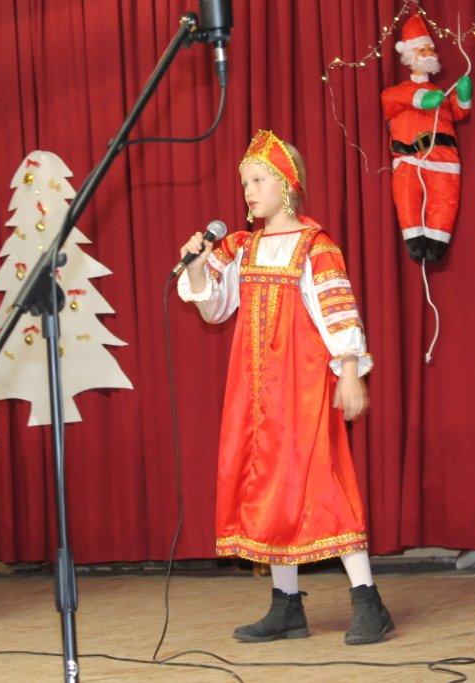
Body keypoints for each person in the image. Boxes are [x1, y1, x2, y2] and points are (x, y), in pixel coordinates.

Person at [177, 130, 393, 645]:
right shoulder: (238, 247)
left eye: (257, 180)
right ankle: (287, 605)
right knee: (265, 486)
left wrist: (348, 370)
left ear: (286, 185)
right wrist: (195, 267)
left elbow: (337, 311)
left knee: (325, 483)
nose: (248, 191)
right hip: (253, 393)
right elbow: (214, 309)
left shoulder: (315, 247)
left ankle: (368, 599)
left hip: (303, 387)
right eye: (244, 182)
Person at [381, 13, 473, 262]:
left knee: (445, 199)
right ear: (410, 56)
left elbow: (458, 112)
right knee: (407, 199)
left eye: (430, 48)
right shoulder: (394, 93)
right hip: (410, 159)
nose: (429, 53)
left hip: (444, 159)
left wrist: (464, 95)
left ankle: (436, 243)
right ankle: (414, 239)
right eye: (422, 49)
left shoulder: (441, 95)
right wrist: (422, 99)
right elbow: (397, 101)